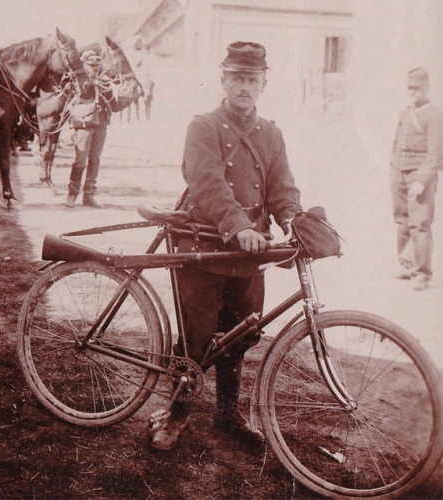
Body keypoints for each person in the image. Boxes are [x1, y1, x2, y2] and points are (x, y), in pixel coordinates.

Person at [150, 41, 302, 450]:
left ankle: (227, 414)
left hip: (248, 254)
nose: (244, 87)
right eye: (237, 78)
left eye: (252, 80)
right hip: (205, 246)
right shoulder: (203, 125)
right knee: (196, 339)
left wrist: (292, 219)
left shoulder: (271, 133)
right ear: (223, 79)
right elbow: (206, 183)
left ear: (263, 83)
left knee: (239, 336)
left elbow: (282, 188)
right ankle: (177, 414)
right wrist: (239, 225)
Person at [390, 68, 443, 290]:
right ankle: (406, 264)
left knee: (420, 224)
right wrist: (394, 169)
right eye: (410, 88)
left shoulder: (434, 114)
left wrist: (422, 179)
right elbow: (396, 143)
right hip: (399, 172)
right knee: (402, 220)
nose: (413, 92)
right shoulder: (405, 112)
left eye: (417, 88)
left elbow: (435, 154)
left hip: (419, 175)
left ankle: (421, 273)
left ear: (427, 88)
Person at [66, 50, 111, 208]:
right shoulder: (77, 82)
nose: (94, 69)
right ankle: (72, 194)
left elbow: (113, 102)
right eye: (91, 65)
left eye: (97, 66)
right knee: (80, 160)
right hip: (84, 124)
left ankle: (89, 195)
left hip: (101, 123)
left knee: (95, 160)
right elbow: (70, 101)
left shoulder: (104, 81)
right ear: (84, 65)